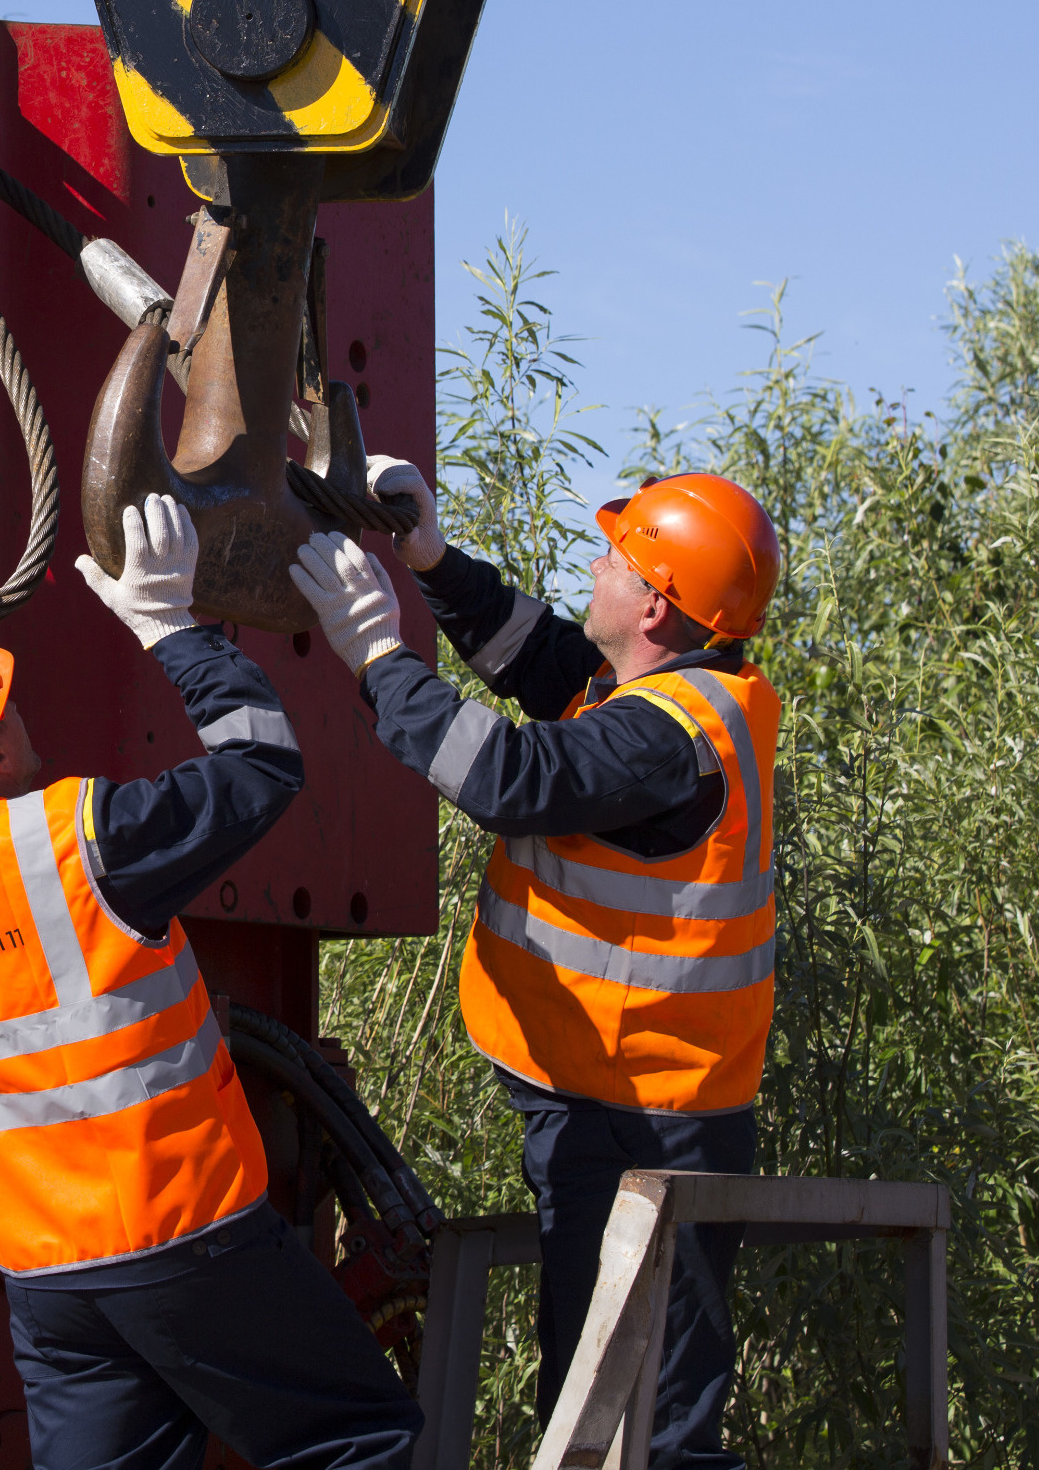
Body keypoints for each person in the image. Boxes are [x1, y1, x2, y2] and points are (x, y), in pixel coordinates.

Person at [0, 494, 422, 1470]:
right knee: (360, 1437)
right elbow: (263, 762)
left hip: (50, 1282)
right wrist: (169, 624)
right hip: (187, 1242)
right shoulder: (77, 843)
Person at [287, 463, 784, 1470]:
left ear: (655, 601)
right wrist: (428, 554)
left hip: (657, 1119)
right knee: (595, 1406)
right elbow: (537, 652)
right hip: (610, 1101)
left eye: (613, 555)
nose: (592, 564)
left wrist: (379, 656)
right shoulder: (645, 691)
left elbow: (513, 776)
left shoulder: (666, 735)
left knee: (656, 1435)